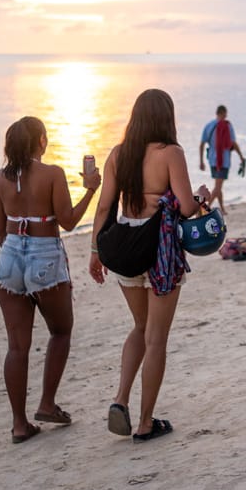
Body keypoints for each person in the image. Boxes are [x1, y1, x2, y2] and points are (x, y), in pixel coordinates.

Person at [89, 89, 211, 443]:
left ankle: (120, 399)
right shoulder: (171, 153)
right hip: (159, 252)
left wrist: (95, 250)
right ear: (166, 118)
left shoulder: (118, 154)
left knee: (140, 327)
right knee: (156, 339)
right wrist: (203, 195)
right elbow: (187, 208)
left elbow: (103, 208)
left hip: (125, 248)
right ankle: (144, 422)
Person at [0, 116, 100, 444]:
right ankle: (48, 403)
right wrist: (91, 191)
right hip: (44, 256)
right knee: (61, 331)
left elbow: (0, 230)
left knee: (17, 347)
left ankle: (20, 425)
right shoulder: (53, 174)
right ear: (40, 141)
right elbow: (68, 222)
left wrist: (16, 253)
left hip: (9, 256)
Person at [198, 104, 245, 216]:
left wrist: (201, 161)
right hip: (223, 161)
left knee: (218, 186)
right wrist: (241, 157)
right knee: (218, 187)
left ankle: (222, 209)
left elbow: (202, 144)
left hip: (212, 160)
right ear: (224, 113)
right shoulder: (227, 126)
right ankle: (204, 208)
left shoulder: (208, 125)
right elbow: (233, 143)